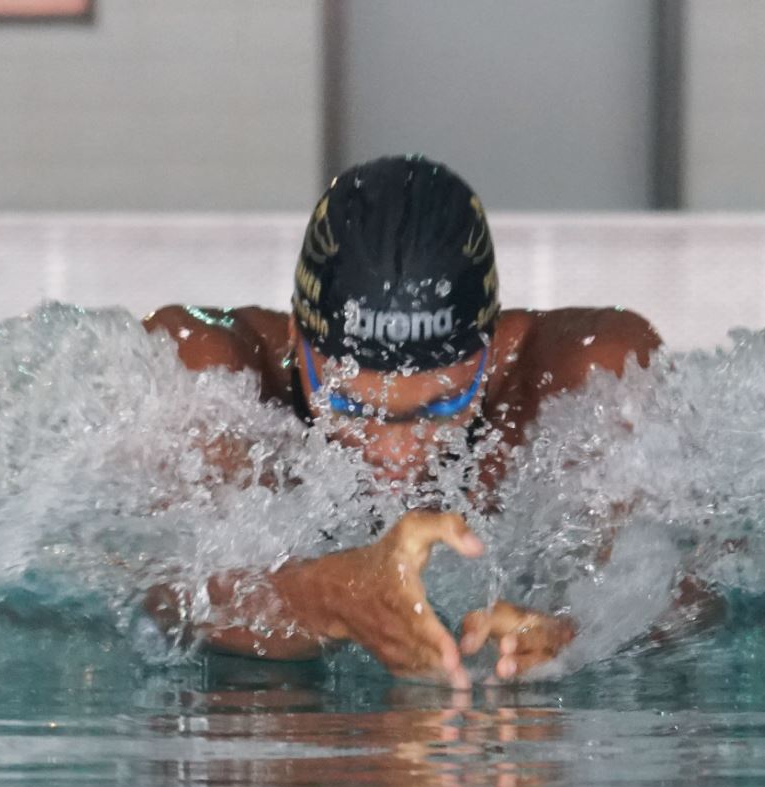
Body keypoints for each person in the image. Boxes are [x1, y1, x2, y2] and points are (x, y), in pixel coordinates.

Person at [141, 155, 671, 687]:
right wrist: (334, 596)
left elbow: (687, 590)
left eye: (439, 407)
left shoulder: (582, 379)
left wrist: (570, 636)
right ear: (299, 342)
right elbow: (164, 596)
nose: (395, 456)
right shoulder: (213, 378)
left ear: (488, 346)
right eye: (350, 406)